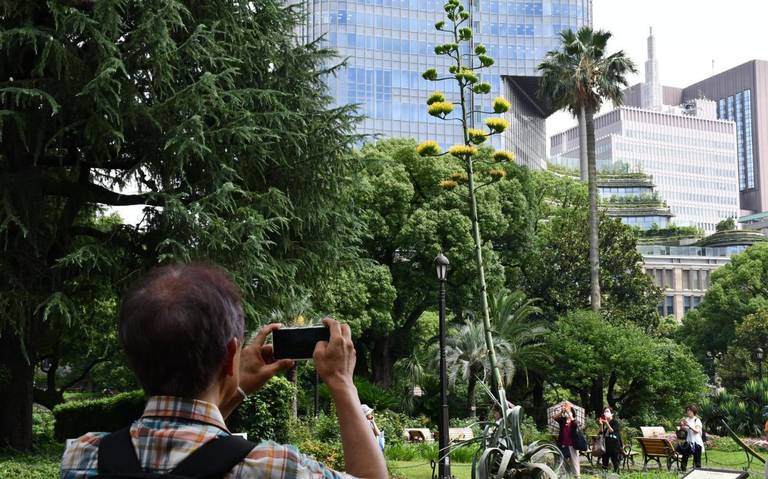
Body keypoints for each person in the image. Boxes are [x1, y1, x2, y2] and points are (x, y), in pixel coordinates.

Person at [60, 263, 388, 479]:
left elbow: (184, 452)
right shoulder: (274, 467)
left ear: (131, 358)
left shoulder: (83, 457)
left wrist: (232, 389)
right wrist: (342, 383)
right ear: (231, 353)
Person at [556, 402, 581, 479]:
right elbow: (554, 417)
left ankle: (577, 476)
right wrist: (562, 411)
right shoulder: (562, 420)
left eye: (569, 411)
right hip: (563, 444)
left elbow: (576, 425)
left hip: (572, 445)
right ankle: (562, 476)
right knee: (562, 462)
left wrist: (570, 414)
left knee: (575, 462)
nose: (567, 412)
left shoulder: (575, 421)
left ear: (572, 413)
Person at [678, 404, 705, 471]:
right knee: (684, 456)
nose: (688, 412)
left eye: (689, 410)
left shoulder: (697, 420)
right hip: (689, 441)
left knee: (697, 460)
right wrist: (681, 425)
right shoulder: (687, 419)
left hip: (696, 442)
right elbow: (684, 430)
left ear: (693, 411)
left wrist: (688, 425)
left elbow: (697, 431)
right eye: (687, 411)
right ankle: (683, 470)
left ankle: (697, 472)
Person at [598, 407, 622, 473]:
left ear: (612, 414)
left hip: (614, 445)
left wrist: (606, 423)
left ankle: (616, 474)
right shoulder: (604, 422)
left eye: (607, 411)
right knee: (604, 461)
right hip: (606, 445)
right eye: (605, 411)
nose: (605, 413)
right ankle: (604, 475)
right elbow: (601, 433)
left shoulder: (615, 422)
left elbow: (612, 430)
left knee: (615, 462)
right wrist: (601, 425)